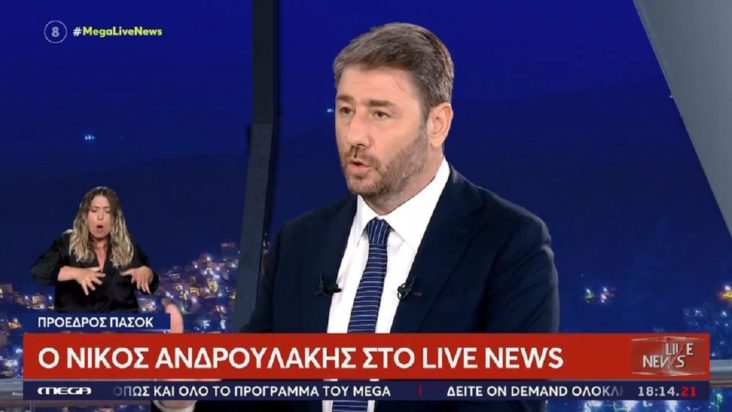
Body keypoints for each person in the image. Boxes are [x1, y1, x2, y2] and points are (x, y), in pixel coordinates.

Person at [158, 22, 559, 412]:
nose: (355, 135)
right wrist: (185, 397)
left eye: (379, 114)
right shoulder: (300, 241)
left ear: (437, 124)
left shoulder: (509, 242)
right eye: (345, 110)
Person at [31, 186, 159, 312]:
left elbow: (151, 285)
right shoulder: (67, 243)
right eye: (94, 210)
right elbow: (38, 271)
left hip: (122, 324)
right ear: (85, 215)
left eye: (107, 211)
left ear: (115, 218)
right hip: (78, 324)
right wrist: (76, 273)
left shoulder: (128, 246)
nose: (100, 217)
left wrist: (148, 274)